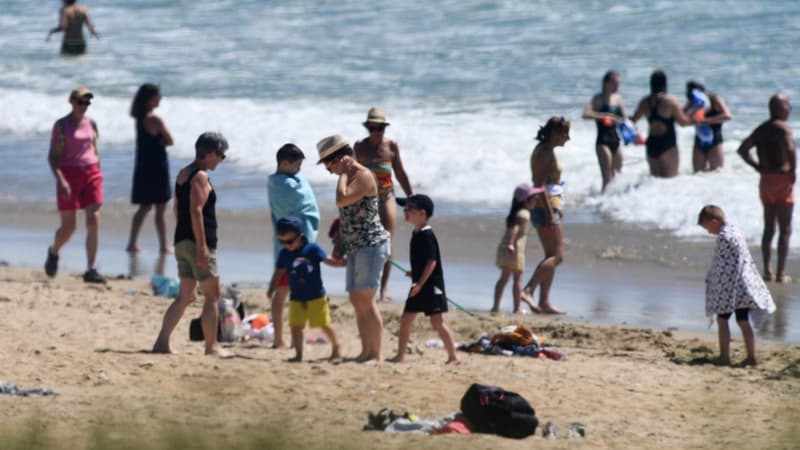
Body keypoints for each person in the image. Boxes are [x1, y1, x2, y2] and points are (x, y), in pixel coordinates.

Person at [152, 132, 231, 357]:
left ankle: (162, 342)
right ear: (209, 154)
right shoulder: (200, 177)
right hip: (198, 242)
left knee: (184, 296)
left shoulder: (183, 174)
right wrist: (202, 246)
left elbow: (178, 208)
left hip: (182, 240)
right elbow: (196, 211)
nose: (221, 160)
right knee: (212, 295)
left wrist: (185, 236)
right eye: (221, 155)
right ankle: (211, 346)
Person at [318, 134, 390, 363]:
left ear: (339, 159)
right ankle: (365, 351)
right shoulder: (348, 177)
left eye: (329, 164)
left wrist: (343, 173)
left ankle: (375, 354)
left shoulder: (363, 176)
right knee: (356, 300)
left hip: (371, 245)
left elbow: (342, 200)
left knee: (367, 300)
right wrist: (339, 245)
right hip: (355, 246)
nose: (328, 170)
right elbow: (346, 215)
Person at [698, 205, 776, 366]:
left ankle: (724, 357)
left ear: (714, 221)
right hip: (745, 284)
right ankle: (751, 357)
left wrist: (716, 286)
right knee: (743, 320)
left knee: (722, 319)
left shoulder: (724, 238)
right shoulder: (735, 231)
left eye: (707, 228)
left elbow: (724, 267)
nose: (708, 232)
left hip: (732, 287)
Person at [44, 86, 106, 284]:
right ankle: (54, 251)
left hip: (92, 172)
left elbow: (94, 151)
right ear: (71, 101)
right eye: (81, 102)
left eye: (87, 102)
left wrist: (99, 172)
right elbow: (53, 157)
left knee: (94, 218)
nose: (84, 106)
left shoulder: (92, 124)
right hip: (68, 174)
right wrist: (60, 180)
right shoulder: (61, 126)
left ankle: (90, 268)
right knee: (69, 227)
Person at [387, 194, 458, 364]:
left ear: (422, 213)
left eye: (409, 209)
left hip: (430, 285)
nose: (405, 211)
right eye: (405, 208)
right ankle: (400, 355)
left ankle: (454, 356)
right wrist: (415, 273)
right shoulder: (416, 233)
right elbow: (423, 261)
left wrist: (419, 282)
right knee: (405, 319)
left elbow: (432, 261)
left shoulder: (427, 235)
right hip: (420, 283)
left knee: (437, 322)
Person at [354, 107, 413, 302]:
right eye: (372, 128)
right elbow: (352, 174)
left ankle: (384, 290)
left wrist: (411, 196)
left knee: (386, 241)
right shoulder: (359, 147)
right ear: (367, 128)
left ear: (385, 129)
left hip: (387, 197)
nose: (376, 132)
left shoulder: (391, 147)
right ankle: (367, 284)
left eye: (380, 128)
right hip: (365, 200)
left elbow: (400, 173)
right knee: (365, 242)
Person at [737, 94, 796, 283]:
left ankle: (767, 270)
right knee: (785, 229)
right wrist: (793, 171)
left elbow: (742, 150)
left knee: (769, 227)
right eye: (788, 106)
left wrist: (757, 166)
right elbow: (790, 150)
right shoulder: (783, 128)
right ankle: (780, 273)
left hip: (766, 181)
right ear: (780, 109)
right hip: (781, 179)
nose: (790, 109)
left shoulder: (761, 130)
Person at [267, 216, 343, 362]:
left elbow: (328, 260)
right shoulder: (284, 254)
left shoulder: (312, 249)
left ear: (300, 236)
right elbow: (279, 272)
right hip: (296, 297)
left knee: (323, 324)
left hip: (316, 296)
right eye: (281, 241)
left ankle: (336, 346)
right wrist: (272, 288)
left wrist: (341, 263)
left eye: (289, 241)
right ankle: (298, 354)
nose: (286, 245)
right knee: (295, 326)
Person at [266, 143, 321, 348]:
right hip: (289, 245)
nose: (299, 169)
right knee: (286, 291)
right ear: (284, 163)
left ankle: (285, 338)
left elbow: (305, 200)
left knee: (290, 291)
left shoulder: (289, 180)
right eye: (297, 165)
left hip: (286, 244)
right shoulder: (281, 185)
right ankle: (280, 338)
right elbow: (301, 203)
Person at [521, 117, 569, 314]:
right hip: (545, 206)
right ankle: (528, 290)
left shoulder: (543, 150)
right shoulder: (545, 153)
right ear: (556, 134)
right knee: (558, 256)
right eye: (566, 134)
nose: (568, 138)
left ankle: (544, 301)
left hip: (548, 204)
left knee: (550, 255)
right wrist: (550, 213)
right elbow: (539, 186)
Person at [126, 83, 174, 254]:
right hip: (157, 167)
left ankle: (132, 242)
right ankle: (163, 246)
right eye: (158, 96)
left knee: (144, 207)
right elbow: (170, 140)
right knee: (161, 209)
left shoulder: (139, 119)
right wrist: (162, 139)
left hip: (143, 167)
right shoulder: (155, 119)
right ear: (150, 99)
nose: (160, 99)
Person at [630, 70, 694, 178]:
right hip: (667, 144)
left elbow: (634, 119)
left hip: (651, 144)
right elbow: (683, 123)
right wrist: (696, 117)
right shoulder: (670, 101)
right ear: (665, 84)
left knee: (654, 181)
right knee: (670, 181)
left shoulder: (644, 101)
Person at [492, 182, 542, 314]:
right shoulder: (524, 213)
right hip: (514, 249)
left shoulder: (515, 213)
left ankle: (496, 306)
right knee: (517, 280)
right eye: (533, 198)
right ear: (526, 201)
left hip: (505, 248)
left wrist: (508, 244)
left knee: (503, 278)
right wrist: (511, 243)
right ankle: (517, 308)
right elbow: (515, 229)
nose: (536, 199)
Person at [582, 70, 627, 191]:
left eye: (618, 84)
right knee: (607, 177)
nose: (617, 87)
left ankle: (614, 203)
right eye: (615, 84)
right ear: (606, 83)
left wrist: (623, 124)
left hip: (616, 140)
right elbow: (585, 114)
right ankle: (603, 204)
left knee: (617, 176)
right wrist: (605, 116)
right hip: (602, 141)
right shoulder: (597, 98)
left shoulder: (618, 99)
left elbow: (624, 119)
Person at [682, 81, 732, 172]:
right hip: (699, 140)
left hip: (715, 140)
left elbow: (727, 116)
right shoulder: (693, 102)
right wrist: (689, 109)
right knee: (697, 174)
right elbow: (682, 119)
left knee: (717, 173)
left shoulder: (715, 100)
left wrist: (706, 121)